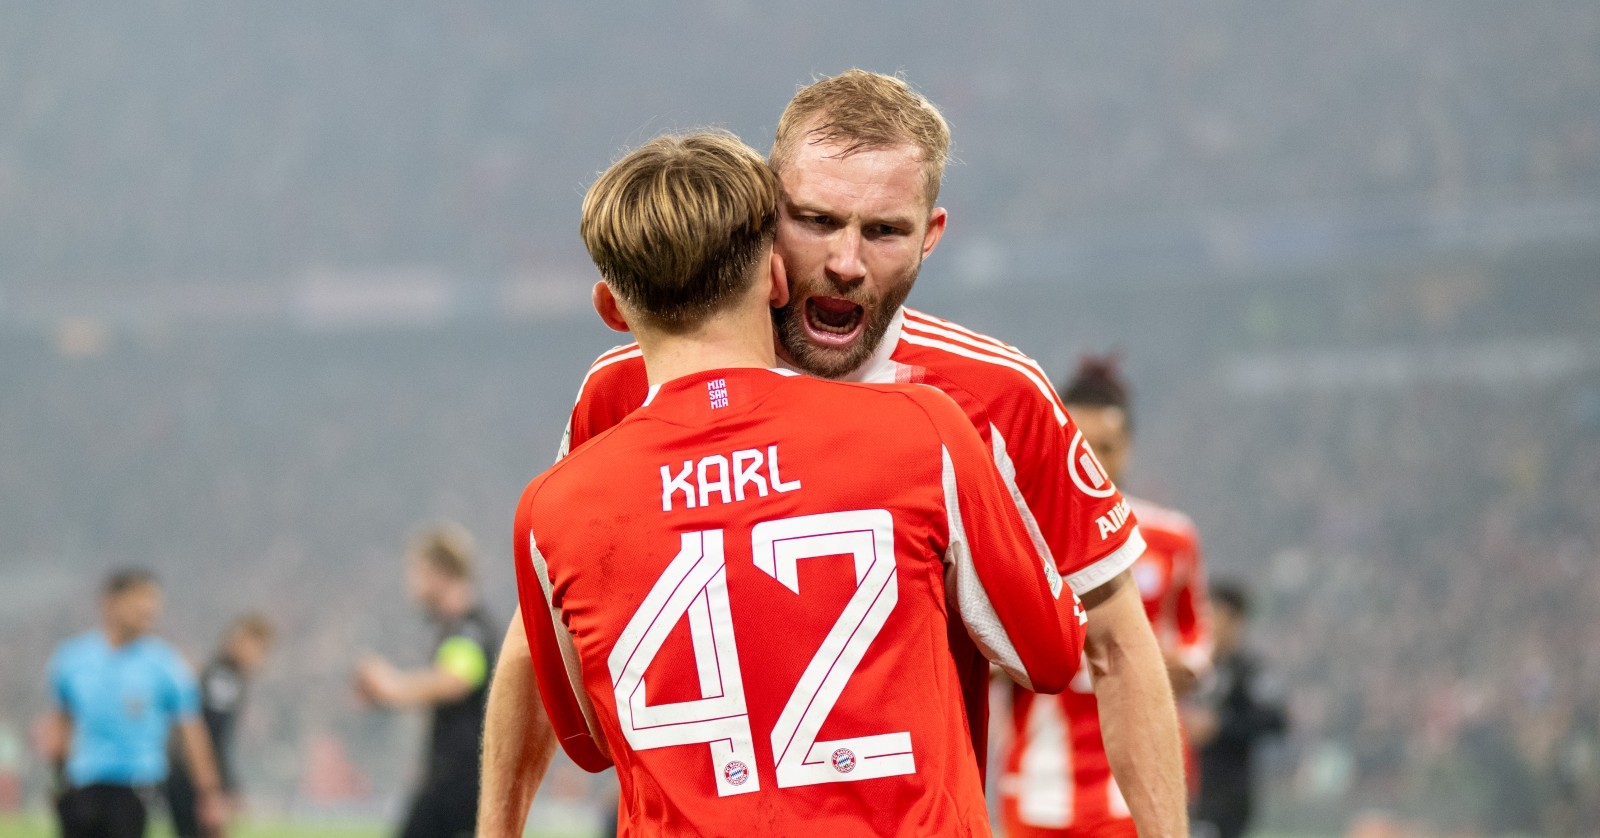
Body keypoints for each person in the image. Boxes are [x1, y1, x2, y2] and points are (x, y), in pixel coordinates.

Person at [478, 69, 1188, 838]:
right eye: (816, 220)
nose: (847, 262)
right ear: (765, 216)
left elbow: (1117, 642)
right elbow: (543, 628)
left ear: (932, 233)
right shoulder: (622, 390)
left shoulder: (998, 394)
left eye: (884, 231)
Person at [1001, 356, 1213, 837]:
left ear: (1129, 449)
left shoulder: (1171, 539)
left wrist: (1188, 665)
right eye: (1078, 446)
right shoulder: (1013, 541)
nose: (1092, 461)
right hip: (1040, 782)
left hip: (1136, 784)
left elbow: (1195, 636)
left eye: (1107, 446)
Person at [44, 569, 228, 838]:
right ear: (110, 603)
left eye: (153, 601)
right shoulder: (71, 659)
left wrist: (209, 793)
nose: (149, 608)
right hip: (82, 786)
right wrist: (58, 781)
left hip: (135, 789)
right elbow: (61, 724)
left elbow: (192, 732)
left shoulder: (165, 664)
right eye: (140, 599)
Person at [355, 523, 497, 838]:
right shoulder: (455, 628)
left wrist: (394, 686)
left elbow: (457, 679)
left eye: (417, 571)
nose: (411, 582)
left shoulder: (469, 628)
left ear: (439, 573)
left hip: (460, 780)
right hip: (458, 778)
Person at [1188, 584, 1287, 838]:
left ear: (1235, 620)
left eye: (1213, 614)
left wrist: (1220, 726)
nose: (1205, 622)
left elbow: (1276, 720)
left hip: (1227, 797)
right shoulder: (1194, 668)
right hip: (1189, 789)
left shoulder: (1250, 671)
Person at [165, 613, 274, 838]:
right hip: (194, 776)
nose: (258, 657)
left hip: (188, 774)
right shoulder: (223, 680)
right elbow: (210, 734)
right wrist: (215, 788)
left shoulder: (218, 675)